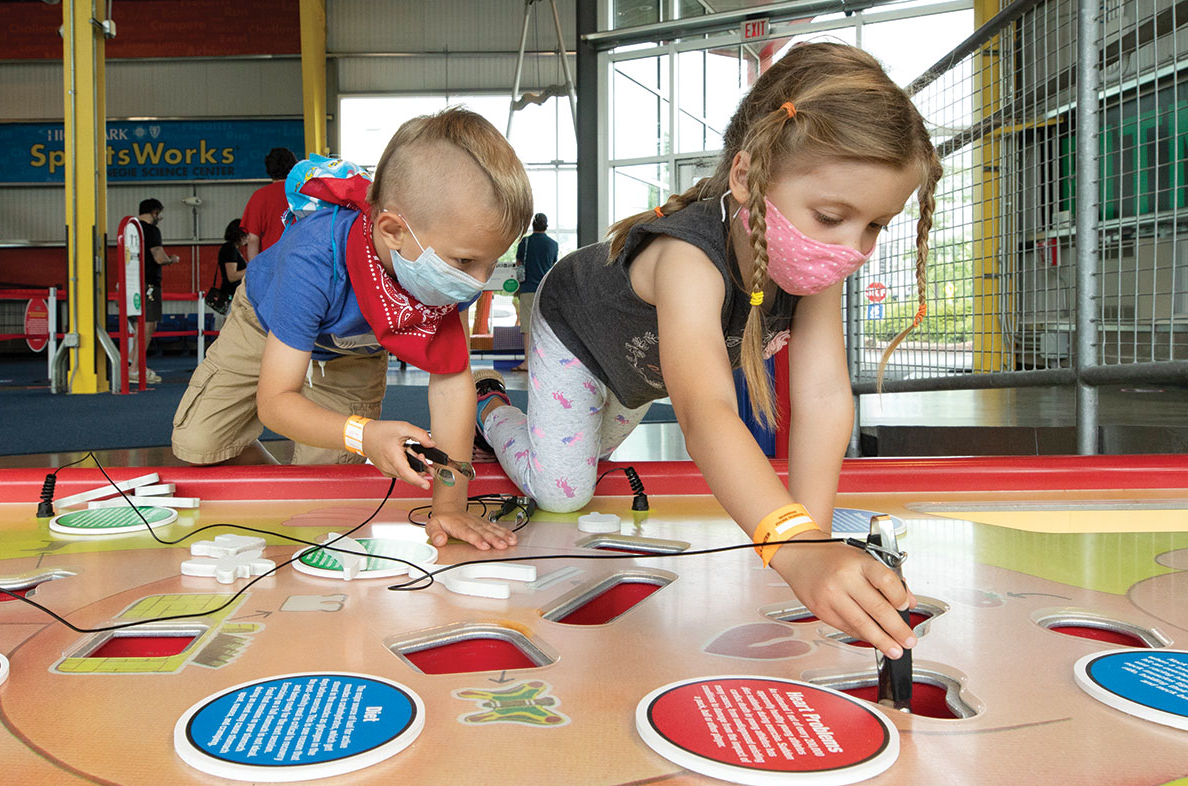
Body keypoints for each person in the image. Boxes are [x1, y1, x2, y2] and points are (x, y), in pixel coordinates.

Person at [473, 44, 941, 655]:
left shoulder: (815, 270)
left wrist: (814, 540)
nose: (852, 249)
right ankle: (490, 406)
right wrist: (792, 546)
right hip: (577, 336)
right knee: (563, 489)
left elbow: (824, 397)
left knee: (585, 457)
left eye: (875, 225)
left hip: (639, 372)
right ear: (746, 178)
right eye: (831, 217)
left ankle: (542, 429)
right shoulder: (689, 259)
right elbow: (705, 412)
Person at [172, 109, 532, 550]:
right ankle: (279, 480)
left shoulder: (449, 278)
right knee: (200, 445)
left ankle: (295, 485)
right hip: (265, 320)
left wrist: (450, 506)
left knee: (326, 486)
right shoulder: (312, 257)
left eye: (490, 263)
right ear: (393, 231)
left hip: (355, 351)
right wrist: (364, 434)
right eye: (465, 262)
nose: (477, 282)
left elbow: (451, 384)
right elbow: (275, 402)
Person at [131, 198, 179, 384]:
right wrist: (172, 259)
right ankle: (136, 369)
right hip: (149, 284)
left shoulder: (132, 229)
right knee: (148, 326)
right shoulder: (151, 230)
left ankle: (132, 362)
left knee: (139, 327)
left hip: (133, 283)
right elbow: (159, 257)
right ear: (154, 212)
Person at [510, 212, 558, 370]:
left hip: (528, 288)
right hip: (546, 290)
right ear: (546, 226)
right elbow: (553, 266)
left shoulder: (525, 242)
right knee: (545, 326)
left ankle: (527, 362)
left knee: (527, 327)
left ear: (533, 225)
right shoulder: (553, 244)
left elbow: (519, 263)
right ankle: (545, 363)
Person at [241, 147, 297, 261]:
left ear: (268, 169)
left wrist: (254, 269)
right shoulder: (302, 194)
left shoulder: (259, 197)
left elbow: (253, 239)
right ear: (293, 167)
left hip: (270, 265)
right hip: (299, 263)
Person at [213, 218, 247, 313]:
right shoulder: (230, 248)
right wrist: (251, 269)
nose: (247, 237)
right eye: (245, 235)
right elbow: (232, 276)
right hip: (231, 296)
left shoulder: (233, 249)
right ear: (239, 235)